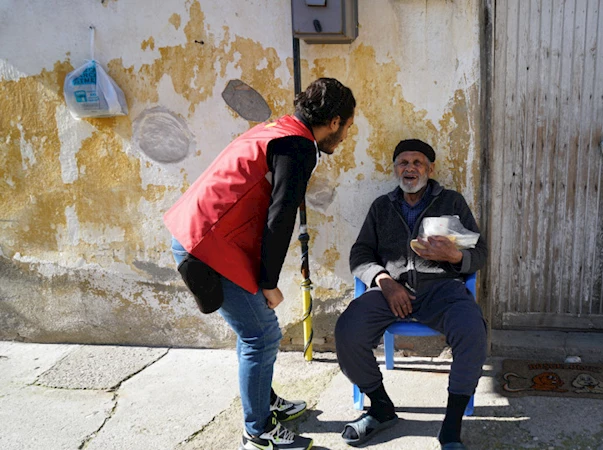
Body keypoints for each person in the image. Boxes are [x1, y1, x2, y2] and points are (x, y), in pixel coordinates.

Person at [164, 78, 356, 450]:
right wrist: (268, 281)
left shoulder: (278, 129)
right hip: (208, 246)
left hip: (205, 236)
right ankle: (257, 432)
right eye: (348, 126)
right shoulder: (297, 146)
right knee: (262, 335)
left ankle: (264, 403)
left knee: (253, 331)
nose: (346, 135)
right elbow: (280, 217)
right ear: (333, 122)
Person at [335, 139, 488, 450]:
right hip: (392, 290)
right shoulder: (382, 206)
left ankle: (451, 424)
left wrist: (455, 257)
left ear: (430, 169)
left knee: (473, 330)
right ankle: (380, 407)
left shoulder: (452, 202)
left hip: (442, 289)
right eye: (403, 162)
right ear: (395, 169)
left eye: (418, 163)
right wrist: (383, 280)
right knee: (347, 329)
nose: (410, 168)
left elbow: (480, 253)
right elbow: (360, 254)